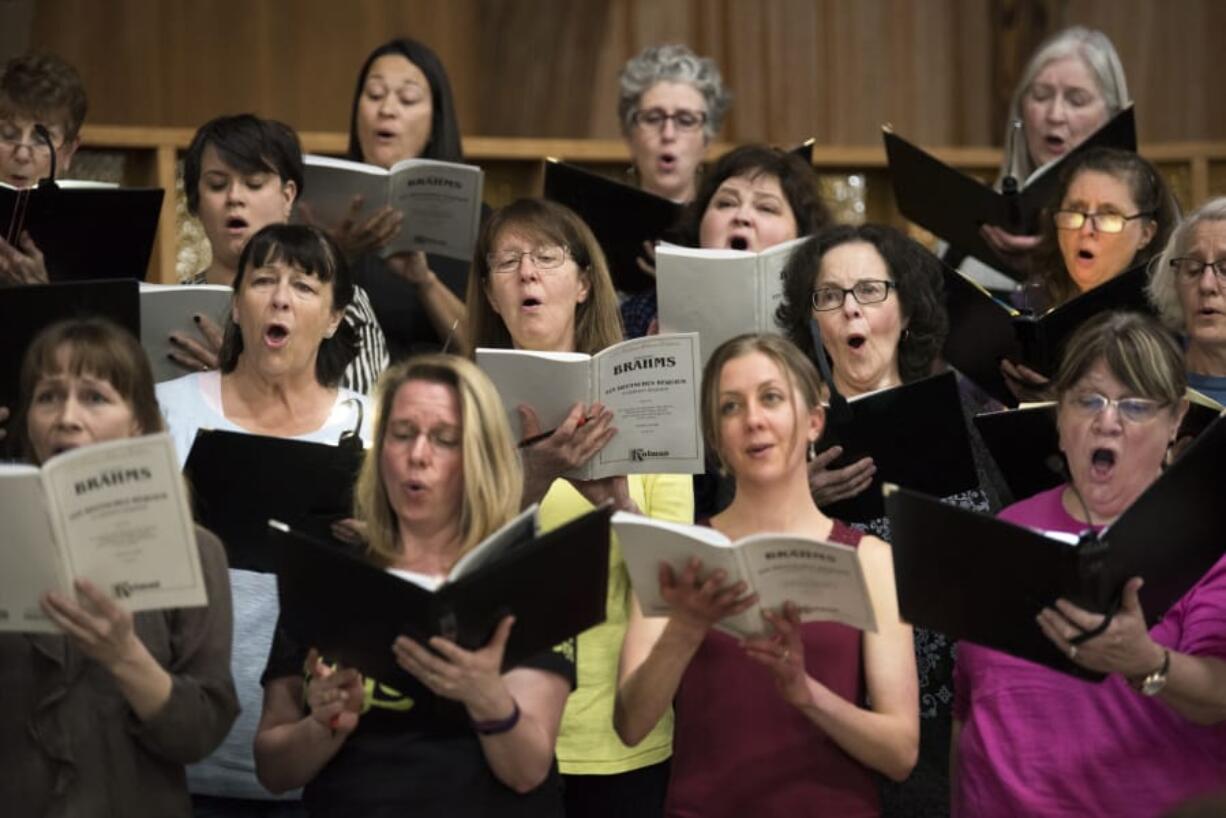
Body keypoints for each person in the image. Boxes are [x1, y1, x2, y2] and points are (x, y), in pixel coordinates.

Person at [255, 354, 574, 816]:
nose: (417, 455)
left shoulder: (527, 574)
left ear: (478, 458)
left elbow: (526, 771)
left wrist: (485, 694)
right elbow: (273, 770)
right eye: (402, 434)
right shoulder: (327, 574)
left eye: (444, 440)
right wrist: (324, 725)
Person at [615, 333, 918, 816]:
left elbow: (901, 754)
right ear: (715, 438)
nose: (753, 420)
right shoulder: (676, 555)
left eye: (771, 398)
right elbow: (630, 726)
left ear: (814, 420)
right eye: (730, 407)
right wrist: (686, 628)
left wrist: (807, 695)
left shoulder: (871, 559)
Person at [468, 197, 693, 817]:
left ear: (585, 284)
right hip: (492, 725)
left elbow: (676, 582)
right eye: (507, 261)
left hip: (619, 733)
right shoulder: (458, 410)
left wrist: (619, 505)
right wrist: (534, 478)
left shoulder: (647, 403)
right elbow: (440, 563)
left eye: (546, 257)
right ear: (488, 292)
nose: (527, 274)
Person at [953, 311, 1226, 817]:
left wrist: (1145, 663)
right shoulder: (1005, 530)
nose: (1107, 421)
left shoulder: (1208, 542)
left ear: (1176, 421)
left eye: (1135, 405)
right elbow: (969, 706)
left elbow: (1219, 695)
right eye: (1087, 400)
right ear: (1059, 420)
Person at [777, 223, 1008, 817]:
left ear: (907, 312)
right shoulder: (778, 440)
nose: (850, 308)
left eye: (870, 291)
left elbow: (1011, 553)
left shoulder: (968, 420)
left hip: (955, 711)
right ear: (813, 323)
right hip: (830, 713)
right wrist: (794, 500)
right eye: (829, 296)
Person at [156, 223, 372, 817]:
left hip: (315, 761)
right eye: (263, 280)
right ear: (237, 302)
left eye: (303, 286)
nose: (279, 298)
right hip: (173, 753)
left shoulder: (377, 429)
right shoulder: (164, 410)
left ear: (333, 318)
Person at [0, 317, 237, 816]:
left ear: (139, 423)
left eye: (94, 397)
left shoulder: (197, 551)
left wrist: (123, 654)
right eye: (47, 397)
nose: (66, 417)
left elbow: (199, 733)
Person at [173, 114, 389, 395]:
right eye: (217, 185)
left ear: (288, 197)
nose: (234, 197)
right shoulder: (172, 305)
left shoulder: (345, 303)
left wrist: (237, 383)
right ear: (195, 202)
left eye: (253, 183)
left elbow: (358, 418)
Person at [327, 38, 469, 360]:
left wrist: (425, 281)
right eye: (374, 95)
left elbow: (480, 350)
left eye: (407, 99)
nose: (386, 109)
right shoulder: (317, 208)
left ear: (436, 122)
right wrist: (340, 255)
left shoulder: (478, 221)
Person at [1002, 147, 1177, 398]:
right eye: (1075, 211)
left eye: (1109, 215)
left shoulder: (1167, 328)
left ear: (1146, 233)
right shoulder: (1028, 307)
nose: (1086, 229)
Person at [965, 27, 1130, 290]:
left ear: (1112, 116)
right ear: (1021, 109)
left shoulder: (1140, 227)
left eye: (1077, 100)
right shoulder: (973, 216)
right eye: (1041, 96)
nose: (1055, 115)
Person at [622, 143, 829, 339]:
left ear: (801, 234)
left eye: (766, 208)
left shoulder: (826, 310)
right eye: (726, 203)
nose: (742, 216)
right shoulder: (643, 312)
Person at [0, 53, 88, 284]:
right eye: (8, 135)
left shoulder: (91, 233)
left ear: (68, 151)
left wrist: (41, 295)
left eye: (41, 139)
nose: (21, 154)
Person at [617, 43, 731, 206]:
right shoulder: (594, 226)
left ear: (707, 140)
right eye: (653, 119)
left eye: (685, 121)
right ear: (629, 136)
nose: (668, 134)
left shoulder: (722, 228)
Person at [1148, 197, 1226, 405]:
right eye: (1193, 269)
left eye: (1225, 270)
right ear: (1174, 282)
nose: (1206, 285)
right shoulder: (1141, 380)